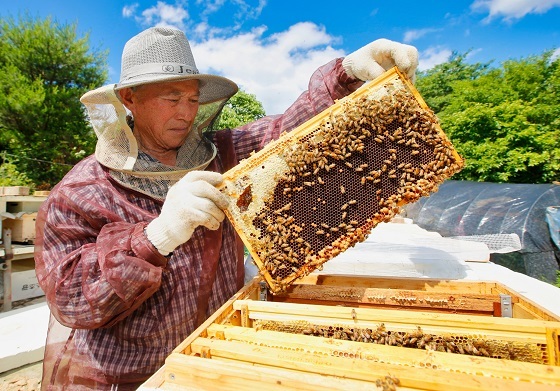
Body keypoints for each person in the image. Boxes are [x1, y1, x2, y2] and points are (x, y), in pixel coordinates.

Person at [34, 26, 418, 390]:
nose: (185, 113)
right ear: (130, 98)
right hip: (130, 377)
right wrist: (157, 236)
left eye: (193, 99)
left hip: (216, 355)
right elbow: (71, 301)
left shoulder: (225, 154)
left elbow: (287, 132)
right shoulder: (81, 191)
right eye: (171, 99)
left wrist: (346, 74)